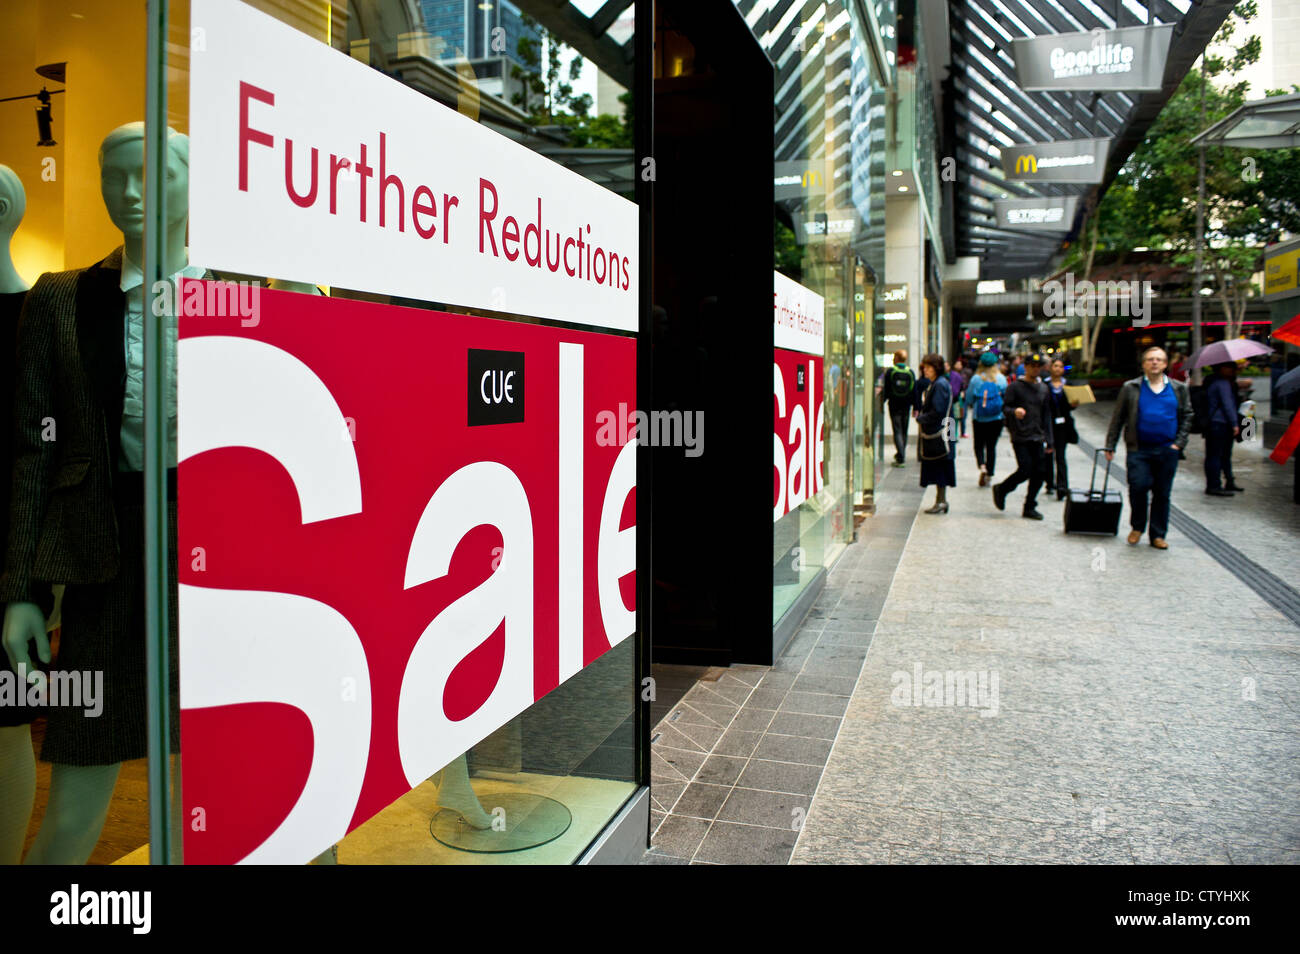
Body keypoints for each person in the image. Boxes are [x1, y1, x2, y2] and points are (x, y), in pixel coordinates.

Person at [1104, 346, 1192, 549]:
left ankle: (1158, 534)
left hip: (1167, 450)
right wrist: (1110, 444)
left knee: (1162, 493)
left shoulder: (1179, 388)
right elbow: (1118, 418)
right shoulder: (1131, 388)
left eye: (1159, 359)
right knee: (1138, 487)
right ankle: (1137, 526)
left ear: (1165, 364)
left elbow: (1188, 415)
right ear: (1143, 364)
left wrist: (1179, 443)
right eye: (1150, 359)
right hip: (1139, 449)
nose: (1154, 362)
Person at [992, 354, 1054, 520]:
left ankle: (1030, 505)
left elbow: (1047, 414)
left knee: (1040, 473)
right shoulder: (1015, 387)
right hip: (1020, 435)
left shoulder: (1043, 389)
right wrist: (1015, 412)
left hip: (1037, 435)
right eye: (1032, 365)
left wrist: (1049, 439)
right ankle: (1002, 489)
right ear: (1025, 367)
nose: (1035, 368)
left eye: (1038, 366)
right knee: (1025, 469)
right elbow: (1005, 408)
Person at [917, 353, 956, 513]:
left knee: (941, 464)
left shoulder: (939, 384)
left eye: (928, 367)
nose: (925, 370)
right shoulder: (939, 383)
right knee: (942, 464)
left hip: (941, 432)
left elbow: (938, 410)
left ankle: (941, 501)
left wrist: (922, 418)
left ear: (936, 368)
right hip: (947, 429)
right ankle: (941, 500)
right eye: (924, 367)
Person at [967, 352, 1007, 486]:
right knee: (991, 447)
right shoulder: (1001, 378)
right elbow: (1006, 397)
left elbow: (969, 399)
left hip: (979, 418)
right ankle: (990, 474)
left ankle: (982, 466)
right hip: (996, 418)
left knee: (978, 445)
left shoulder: (976, 379)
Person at [1204, 361, 1242, 495]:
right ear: (1221, 369)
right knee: (1216, 455)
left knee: (1222, 454)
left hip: (1215, 423)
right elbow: (1228, 405)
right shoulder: (1222, 384)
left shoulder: (1213, 381)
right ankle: (1214, 485)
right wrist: (1234, 424)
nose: (1233, 370)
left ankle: (1228, 481)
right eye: (1230, 368)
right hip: (1220, 424)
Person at [1044, 357, 1078, 500]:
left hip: (1063, 425)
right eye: (1055, 366)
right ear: (1050, 368)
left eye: (1060, 366)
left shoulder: (1068, 385)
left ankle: (1062, 486)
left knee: (1061, 456)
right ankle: (1049, 483)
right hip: (1048, 424)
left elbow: (1071, 405)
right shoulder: (1044, 385)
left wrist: (1074, 404)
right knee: (1048, 454)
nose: (1057, 369)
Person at [876, 350, 916, 467]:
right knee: (904, 430)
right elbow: (914, 391)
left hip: (894, 405)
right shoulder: (910, 372)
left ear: (897, 358)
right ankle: (901, 454)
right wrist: (915, 406)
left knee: (897, 430)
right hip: (906, 405)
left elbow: (886, 390)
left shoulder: (891, 372)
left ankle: (901, 456)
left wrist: (881, 404)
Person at [949, 359, 967, 438]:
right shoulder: (952, 375)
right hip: (955, 399)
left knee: (956, 417)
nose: (959, 366)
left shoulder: (962, 375)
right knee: (954, 417)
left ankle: (955, 434)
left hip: (957, 399)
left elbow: (963, 386)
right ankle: (953, 435)